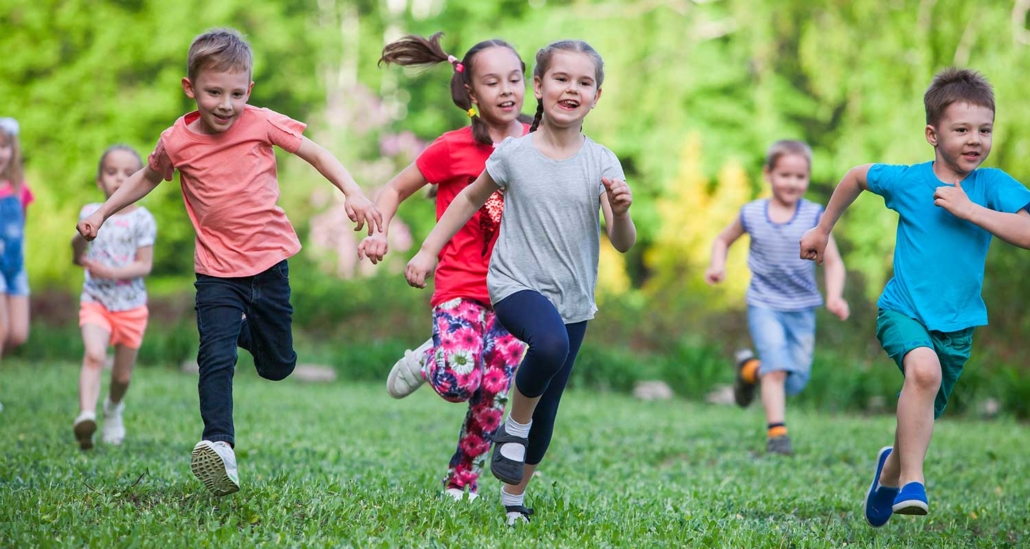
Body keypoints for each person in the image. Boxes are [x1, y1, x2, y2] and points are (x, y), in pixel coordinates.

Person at [76, 28, 382, 495]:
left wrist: (353, 191)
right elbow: (146, 177)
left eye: (236, 93)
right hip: (216, 273)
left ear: (250, 91)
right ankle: (219, 445)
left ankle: (238, 330)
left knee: (278, 365)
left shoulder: (260, 122)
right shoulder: (176, 140)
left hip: (269, 265)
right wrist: (101, 212)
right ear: (190, 88)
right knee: (213, 358)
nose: (225, 104)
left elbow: (316, 152)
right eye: (213, 92)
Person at [405, 39, 635, 525]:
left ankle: (513, 498)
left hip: (573, 298)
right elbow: (467, 201)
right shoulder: (514, 153)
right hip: (514, 285)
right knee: (547, 346)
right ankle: (513, 425)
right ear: (539, 86)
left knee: (548, 408)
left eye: (584, 82)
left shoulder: (603, 162)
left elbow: (622, 242)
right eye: (561, 78)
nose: (572, 88)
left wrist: (620, 212)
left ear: (597, 95)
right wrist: (428, 250)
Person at [799, 68, 1030, 525]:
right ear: (932, 134)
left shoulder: (993, 186)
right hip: (902, 310)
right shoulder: (907, 181)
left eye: (984, 130)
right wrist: (823, 229)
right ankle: (913, 483)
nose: (974, 140)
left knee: (919, 416)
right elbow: (856, 176)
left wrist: (971, 210)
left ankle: (891, 471)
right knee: (921, 371)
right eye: (961, 129)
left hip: (958, 327)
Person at [360, 32, 529, 501]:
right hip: (459, 285)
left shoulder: (540, 143)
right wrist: (380, 232)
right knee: (458, 379)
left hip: (517, 292)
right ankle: (428, 358)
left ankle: (461, 483)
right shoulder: (453, 148)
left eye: (515, 79)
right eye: (493, 82)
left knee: (493, 393)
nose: (507, 90)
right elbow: (394, 189)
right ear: (472, 94)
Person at [705, 139, 849, 456]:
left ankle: (748, 370)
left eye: (800, 177)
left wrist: (835, 296)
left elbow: (834, 261)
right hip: (764, 304)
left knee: (794, 380)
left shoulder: (815, 215)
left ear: (808, 178)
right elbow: (722, 240)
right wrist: (717, 266)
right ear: (768, 174)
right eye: (785, 175)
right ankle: (777, 435)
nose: (792, 183)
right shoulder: (752, 213)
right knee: (777, 370)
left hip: (802, 309)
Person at [71, 145, 156, 450]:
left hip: (131, 307)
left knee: (121, 375)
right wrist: (77, 248)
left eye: (128, 173)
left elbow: (144, 265)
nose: (119, 178)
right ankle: (86, 415)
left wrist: (108, 271)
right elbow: (77, 248)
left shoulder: (143, 220)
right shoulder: (89, 213)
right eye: (111, 172)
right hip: (96, 301)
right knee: (94, 354)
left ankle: (112, 409)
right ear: (99, 180)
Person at [0, 117, 33, 365]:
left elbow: (21, 228)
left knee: (18, 334)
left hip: (15, 269)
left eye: (3, 146)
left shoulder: (20, 189)